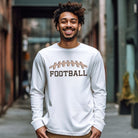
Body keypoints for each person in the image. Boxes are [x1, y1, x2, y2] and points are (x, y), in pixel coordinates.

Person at [30, 1, 106, 138]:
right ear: (58, 26)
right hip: (52, 131)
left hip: (86, 131)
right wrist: (37, 122)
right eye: (64, 22)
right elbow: (36, 91)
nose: (69, 25)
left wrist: (99, 123)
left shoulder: (92, 55)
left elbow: (99, 91)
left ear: (79, 25)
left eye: (73, 21)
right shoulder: (44, 55)